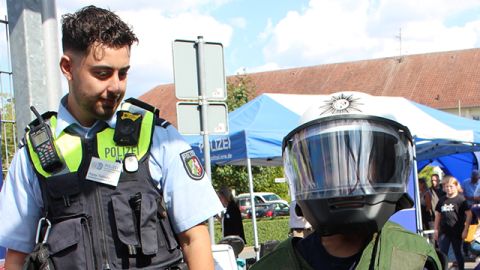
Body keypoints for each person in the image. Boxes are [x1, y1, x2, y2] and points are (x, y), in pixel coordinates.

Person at [0, 5, 223, 270]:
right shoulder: (35, 154)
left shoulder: (158, 137)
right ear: (67, 67)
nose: (116, 86)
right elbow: (17, 257)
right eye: (102, 74)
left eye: (123, 73)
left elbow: (194, 239)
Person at [250, 91, 442, 270]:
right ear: (312, 175)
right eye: (331, 166)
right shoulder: (277, 265)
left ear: (386, 168)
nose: (349, 181)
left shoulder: (412, 259)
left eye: (361, 165)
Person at [434, 175, 472, 270]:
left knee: (458, 252)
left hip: (457, 231)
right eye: (446, 186)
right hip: (444, 231)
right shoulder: (442, 200)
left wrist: (465, 229)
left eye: (451, 186)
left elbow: (469, 214)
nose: (449, 188)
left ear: (456, 186)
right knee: (443, 253)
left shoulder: (461, 200)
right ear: (444, 187)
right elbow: (438, 215)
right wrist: (435, 230)